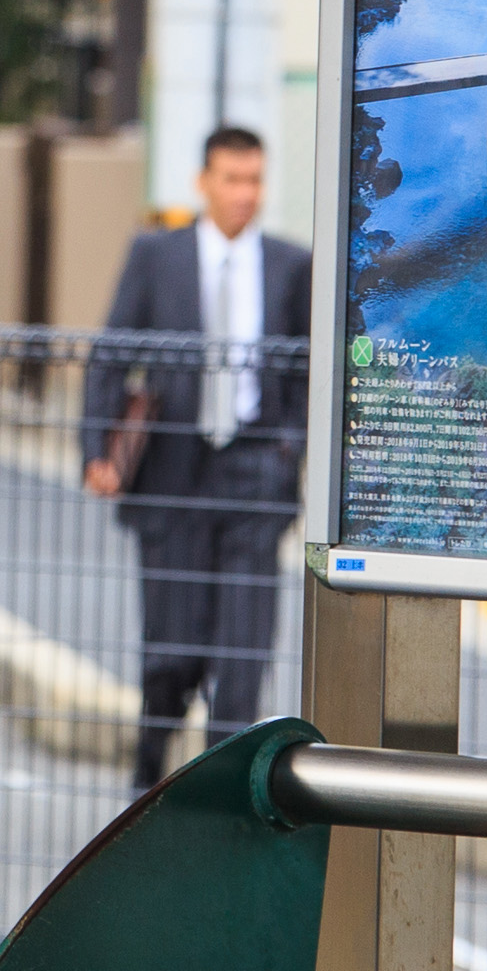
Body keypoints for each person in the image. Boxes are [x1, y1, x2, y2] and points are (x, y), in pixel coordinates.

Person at [80, 125, 315, 790]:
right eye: (232, 180)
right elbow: (110, 354)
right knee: (173, 656)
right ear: (203, 183)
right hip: (174, 474)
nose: (245, 195)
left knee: (240, 662)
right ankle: (147, 773)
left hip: (254, 473)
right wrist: (96, 450)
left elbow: (304, 373)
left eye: (255, 181)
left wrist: (287, 446)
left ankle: (221, 807)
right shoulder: (157, 256)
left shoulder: (290, 266)